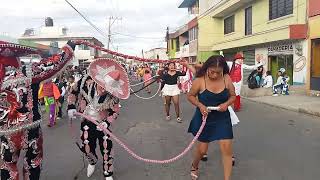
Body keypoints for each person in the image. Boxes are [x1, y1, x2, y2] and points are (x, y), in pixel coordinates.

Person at [0, 40, 76, 180]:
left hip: (5, 132)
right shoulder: (27, 71)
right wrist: (69, 46)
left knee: (7, 165)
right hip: (30, 128)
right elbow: (54, 64)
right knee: (33, 162)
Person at [67, 58, 129, 180]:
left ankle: (108, 173)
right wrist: (70, 106)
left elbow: (115, 111)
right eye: (104, 86)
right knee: (86, 146)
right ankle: (92, 161)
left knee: (106, 148)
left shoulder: (113, 94)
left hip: (103, 124)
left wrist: (107, 122)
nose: (105, 89)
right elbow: (73, 91)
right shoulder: (85, 81)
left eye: (108, 88)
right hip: (86, 121)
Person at [187, 55, 236, 180]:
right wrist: (200, 105)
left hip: (222, 117)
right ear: (207, 68)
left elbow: (233, 96)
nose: (214, 75)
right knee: (202, 150)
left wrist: (226, 104)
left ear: (223, 70)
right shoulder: (200, 80)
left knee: (226, 148)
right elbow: (191, 96)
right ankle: (194, 165)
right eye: (212, 71)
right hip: (204, 117)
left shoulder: (226, 78)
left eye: (218, 72)